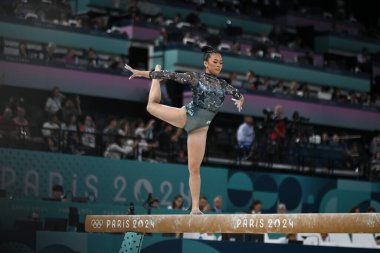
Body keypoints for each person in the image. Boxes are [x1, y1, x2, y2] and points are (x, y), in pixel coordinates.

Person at [124, 46, 244, 214]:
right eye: (215, 62)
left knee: (194, 168)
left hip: (201, 129)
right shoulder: (195, 77)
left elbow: (238, 94)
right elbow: (170, 75)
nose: (219, 65)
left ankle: (195, 208)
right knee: (151, 106)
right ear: (206, 63)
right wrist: (142, 73)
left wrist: (240, 100)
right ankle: (155, 84)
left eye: (221, 62)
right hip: (186, 116)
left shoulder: (223, 85)